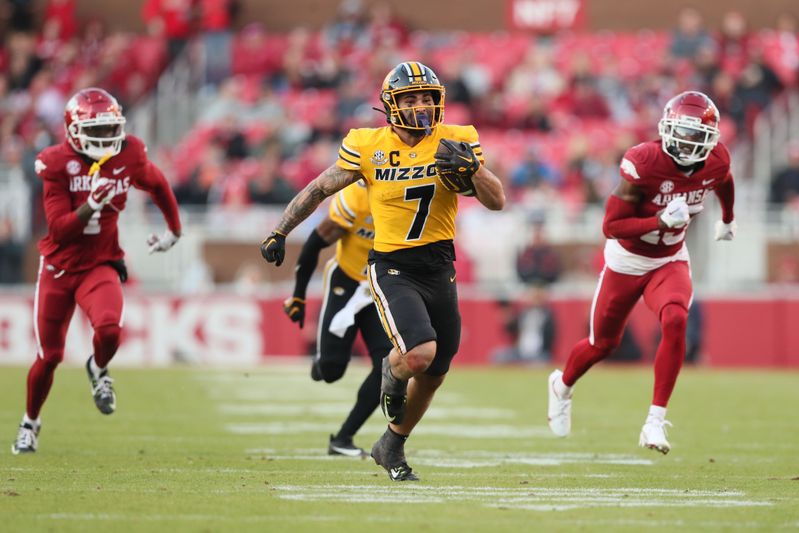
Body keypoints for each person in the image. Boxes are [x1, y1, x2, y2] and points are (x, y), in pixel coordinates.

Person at [261, 61, 505, 480]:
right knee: (418, 354)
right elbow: (320, 187)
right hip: (392, 266)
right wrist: (281, 229)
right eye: (411, 98)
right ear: (391, 105)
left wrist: (474, 172)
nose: (421, 106)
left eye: (427, 97)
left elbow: (497, 200)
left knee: (435, 373)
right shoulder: (367, 144)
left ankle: (391, 443)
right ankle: (389, 374)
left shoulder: (457, 139)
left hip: (440, 264)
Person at [546, 91, 735, 454]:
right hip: (627, 260)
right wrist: (658, 219)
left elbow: (723, 180)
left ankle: (654, 421)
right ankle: (562, 385)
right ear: (666, 128)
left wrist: (728, 218)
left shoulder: (717, 161)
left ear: (710, 139)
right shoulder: (644, 161)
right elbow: (611, 225)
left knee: (676, 318)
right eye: (683, 132)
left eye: (697, 135)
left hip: (670, 258)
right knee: (602, 344)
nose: (688, 141)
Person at [11, 88, 182, 454]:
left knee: (109, 329)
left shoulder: (129, 152)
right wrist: (91, 205)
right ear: (74, 131)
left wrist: (174, 230)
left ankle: (98, 369)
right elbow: (58, 228)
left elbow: (157, 183)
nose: (107, 138)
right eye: (99, 130)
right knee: (50, 356)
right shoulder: (56, 162)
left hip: (99, 263)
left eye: (111, 129)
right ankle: (30, 423)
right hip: (58, 267)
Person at [283, 181, 392, 457]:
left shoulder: (409, 199)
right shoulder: (355, 200)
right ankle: (323, 363)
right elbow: (313, 244)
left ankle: (343, 438)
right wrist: (298, 295)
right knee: (331, 371)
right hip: (346, 280)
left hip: (383, 288)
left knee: (387, 367)